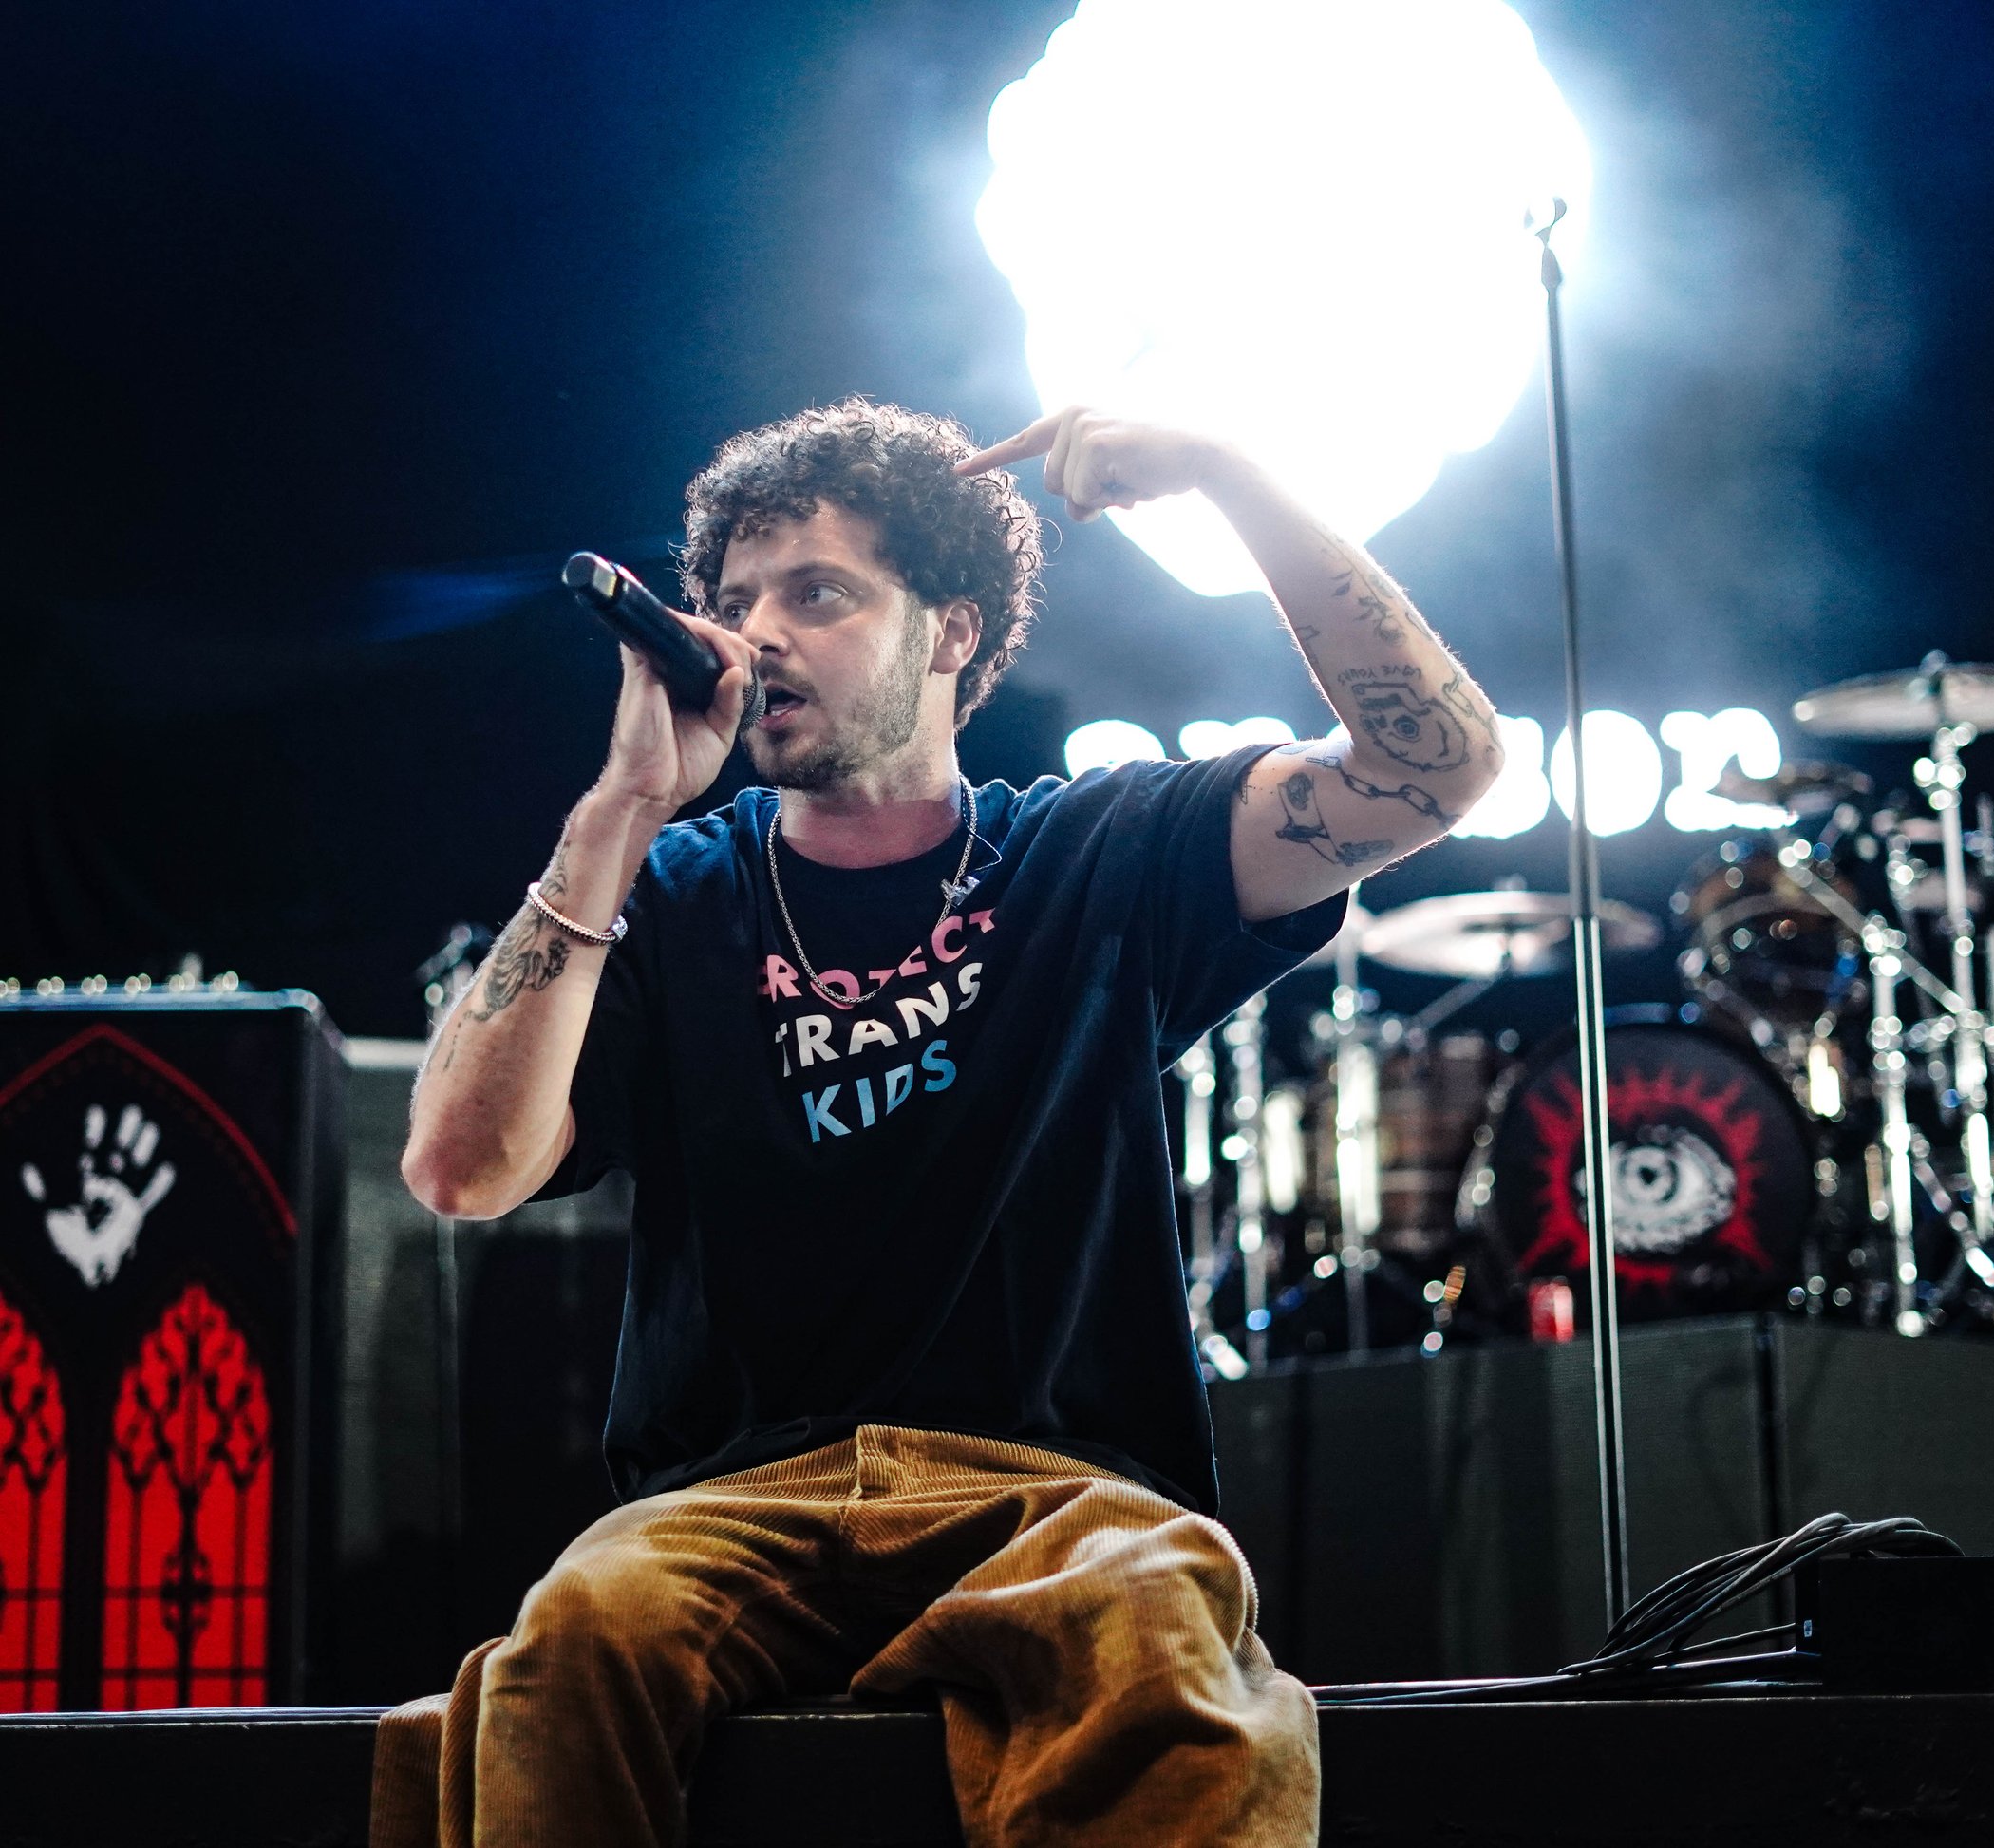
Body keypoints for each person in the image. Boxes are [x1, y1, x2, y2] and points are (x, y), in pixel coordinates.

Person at [376, 398, 1505, 1848]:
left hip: (1054, 1494)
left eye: (819, 591)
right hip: (731, 1500)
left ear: (953, 632)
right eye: (733, 602)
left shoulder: (1100, 848)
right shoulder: (667, 896)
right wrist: (621, 808)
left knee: (1164, 1642)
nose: (758, 633)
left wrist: (1234, 478)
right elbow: (459, 1169)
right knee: (569, 1640)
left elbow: (1437, 768)